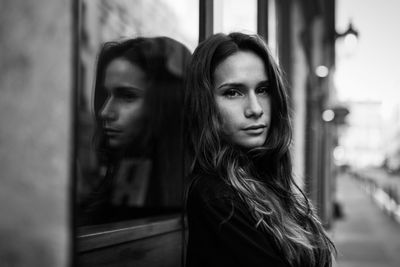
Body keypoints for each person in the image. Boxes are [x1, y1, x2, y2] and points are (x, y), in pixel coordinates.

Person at [184, 32, 335, 267]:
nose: (255, 109)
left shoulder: (264, 178)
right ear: (205, 104)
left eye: (263, 89)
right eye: (233, 92)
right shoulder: (218, 197)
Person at [77, 36, 191, 225]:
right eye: (106, 95)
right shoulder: (130, 173)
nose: (105, 112)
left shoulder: (184, 191)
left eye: (127, 96)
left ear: (166, 105)